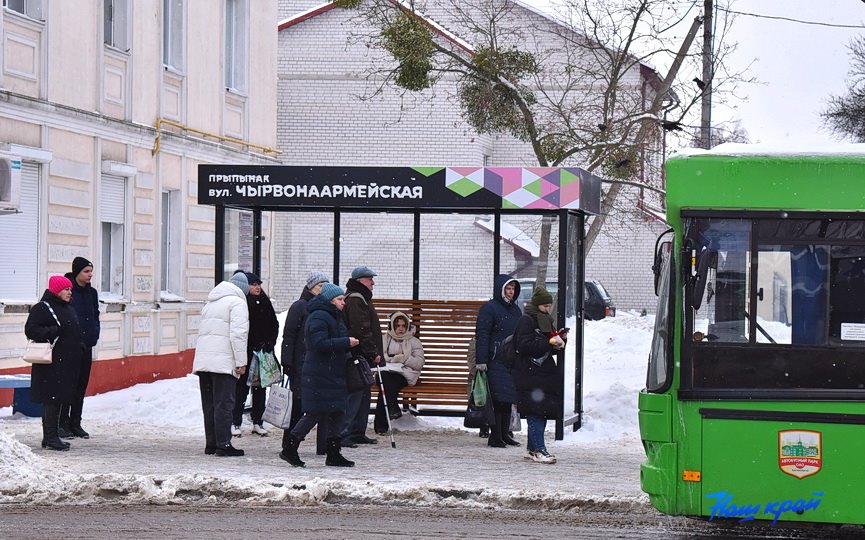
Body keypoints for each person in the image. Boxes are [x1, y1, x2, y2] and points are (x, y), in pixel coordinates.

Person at [280, 283, 359, 468]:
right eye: (340, 299)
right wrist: (345, 342)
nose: (343, 303)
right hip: (320, 374)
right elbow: (319, 343)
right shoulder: (319, 316)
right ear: (330, 300)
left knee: (337, 412)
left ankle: (333, 452)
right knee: (316, 412)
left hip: (331, 373)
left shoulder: (333, 315)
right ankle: (290, 448)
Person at [192, 272, 250, 457]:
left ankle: (212, 443)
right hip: (224, 362)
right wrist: (241, 362)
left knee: (209, 404)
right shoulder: (237, 303)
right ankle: (224, 444)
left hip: (205, 361)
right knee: (224, 404)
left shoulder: (211, 302)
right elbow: (238, 335)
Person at [24, 275, 83, 451]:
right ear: (56, 290)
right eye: (66, 289)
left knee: (58, 399)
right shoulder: (43, 308)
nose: (69, 292)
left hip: (66, 361)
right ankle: (51, 437)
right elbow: (31, 330)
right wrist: (51, 331)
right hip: (51, 362)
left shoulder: (67, 307)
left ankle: (50, 437)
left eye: (70, 289)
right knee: (52, 399)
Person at [513, 286, 567, 464]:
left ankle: (531, 449)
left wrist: (559, 341)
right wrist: (548, 342)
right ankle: (539, 450)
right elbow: (524, 346)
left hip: (541, 375)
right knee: (536, 412)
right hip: (530, 375)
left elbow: (544, 347)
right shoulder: (527, 320)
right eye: (544, 306)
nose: (547, 309)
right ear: (537, 305)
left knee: (539, 411)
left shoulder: (545, 320)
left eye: (549, 306)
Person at [281, 270, 328, 453]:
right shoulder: (299, 306)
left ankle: (322, 446)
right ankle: (289, 443)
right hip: (299, 364)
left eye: (325, 286)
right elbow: (289, 336)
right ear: (311, 287)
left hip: (316, 364)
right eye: (319, 286)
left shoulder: (323, 307)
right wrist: (287, 362)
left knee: (321, 404)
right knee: (298, 405)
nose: (322, 289)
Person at [474, 274, 522, 448]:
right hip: (495, 358)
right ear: (501, 290)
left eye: (513, 289)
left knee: (508, 398)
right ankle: (495, 435)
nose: (511, 292)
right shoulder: (489, 308)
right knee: (497, 399)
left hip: (510, 359)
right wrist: (482, 360)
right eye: (508, 289)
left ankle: (504, 433)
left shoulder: (515, 310)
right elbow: (482, 334)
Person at [340, 266, 383, 446]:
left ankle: (357, 431)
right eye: (369, 279)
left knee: (363, 392)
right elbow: (361, 329)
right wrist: (372, 352)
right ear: (360, 281)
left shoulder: (359, 297)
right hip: (358, 354)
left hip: (360, 354)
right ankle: (346, 433)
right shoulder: (357, 299)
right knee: (357, 393)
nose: (372, 282)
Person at [231, 271, 279, 437]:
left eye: (259, 284)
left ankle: (257, 421)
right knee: (242, 388)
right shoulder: (242, 303)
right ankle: (235, 421)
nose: (257, 287)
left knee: (260, 388)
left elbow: (274, 323)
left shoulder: (265, 302)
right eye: (253, 284)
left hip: (263, 353)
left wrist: (270, 342)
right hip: (248, 352)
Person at [58, 256, 100, 439]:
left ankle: (76, 423)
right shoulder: (67, 291)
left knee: (80, 386)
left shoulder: (92, 293)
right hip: (70, 347)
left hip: (87, 346)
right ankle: (62, 423)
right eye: (86, 271)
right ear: (77, 273)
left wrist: (94, 334)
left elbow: (95, 314)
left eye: (91, 271)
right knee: (67, 385)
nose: (90, 274)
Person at [374, 311, 425, 435]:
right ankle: (393, 408)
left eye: (403, 325)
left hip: (404, 373)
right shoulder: (384, 339)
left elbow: (419, 363)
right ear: (392, 326)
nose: (401, 329)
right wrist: (389, 360)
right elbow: (376, 357)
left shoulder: (414, 341)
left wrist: (404, 359)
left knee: (385, 385)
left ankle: (381, 425)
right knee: (385, 379)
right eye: (397, 325)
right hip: (386, 371)